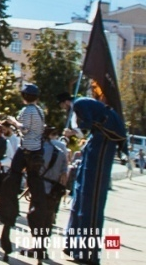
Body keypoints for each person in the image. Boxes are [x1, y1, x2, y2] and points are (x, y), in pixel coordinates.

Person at [59, 92, 127, 264]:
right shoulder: (82, 104)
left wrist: (71, 132)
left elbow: (87, 124)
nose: (63, 108)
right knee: (82, 193)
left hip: (105, 138)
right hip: (99, 137)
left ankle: (87, 251)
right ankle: (74, 244)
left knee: (92, 197)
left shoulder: (79, 104)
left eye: (62, 105)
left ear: (66, 102)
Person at [0, 84, 48, 261]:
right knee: (37, 192)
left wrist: (13, 122)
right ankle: (40, 241)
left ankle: (7, 220)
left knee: (12, 181)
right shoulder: (40, 111)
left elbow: (25, 129)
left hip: (26, 150)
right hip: (37, 153)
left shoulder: (27, 110)